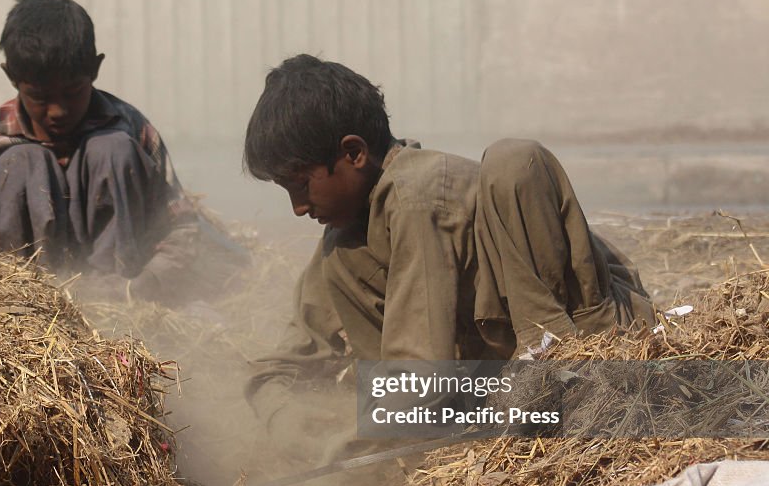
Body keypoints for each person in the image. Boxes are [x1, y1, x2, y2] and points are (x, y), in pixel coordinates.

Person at [242, 54, 657, 433]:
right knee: (343, 261)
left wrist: (352, 439)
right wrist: (282, 416)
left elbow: (418, 374)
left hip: (591, 345)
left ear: (353, 153)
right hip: (491, 387)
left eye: (300, 184)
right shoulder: (347, 236)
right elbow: (294, 350)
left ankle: (554, 373)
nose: (297, 207)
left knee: (514, 159)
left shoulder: (416, 195)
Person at [0, 0, 244, 304]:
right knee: (22, 161)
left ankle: (109, 298)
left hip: (122, 298)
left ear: (95, 69)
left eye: (72, 92)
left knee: (111, 149)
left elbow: (180, 225)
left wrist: (146, 283)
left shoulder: (130, 129)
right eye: (40, 97)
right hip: (30, 302)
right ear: (12, 77)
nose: (57, 111)